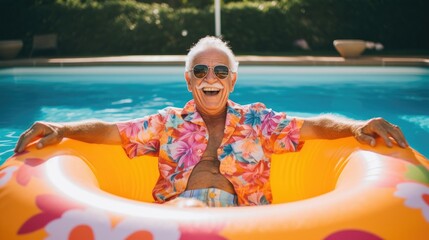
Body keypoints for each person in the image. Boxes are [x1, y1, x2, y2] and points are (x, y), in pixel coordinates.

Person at [14, 36, 408, 207]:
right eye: (200, 71)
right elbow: (113, 131)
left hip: (245, 220)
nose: (211, 80)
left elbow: (313, 125)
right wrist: (61, 129)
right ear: (188, 80)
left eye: (220, 72)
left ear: (232, 80)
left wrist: (356, 125)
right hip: (177, 214)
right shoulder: (168, 122)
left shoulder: (256, 119)